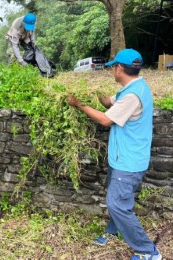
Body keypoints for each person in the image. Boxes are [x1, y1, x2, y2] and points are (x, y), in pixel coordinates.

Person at [67, 49, 161, 260]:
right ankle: (114, 231)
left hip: (129, 161)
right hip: (121, 158)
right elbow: (108, 103)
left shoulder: (132, 96)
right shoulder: (133, 87)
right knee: (119, 199)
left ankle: (149, 251)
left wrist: (80, 105)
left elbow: (105, 119)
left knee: (116, 204)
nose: (112, 71)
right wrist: (93, 92)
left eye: (113, 67)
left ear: (119, 68)